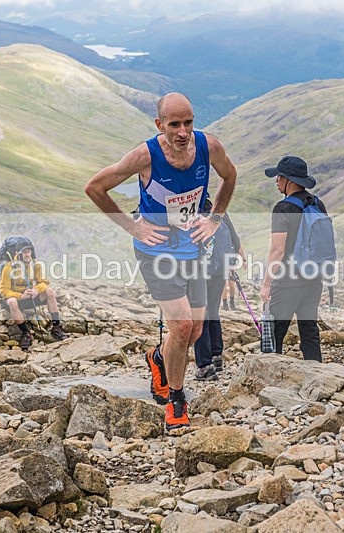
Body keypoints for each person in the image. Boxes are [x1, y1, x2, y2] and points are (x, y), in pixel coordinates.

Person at [85, 93, 237, 430]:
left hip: (192, 248)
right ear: (159, 125)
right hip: (156, 251)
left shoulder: (208, 147)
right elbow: (95, 187)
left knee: (195, 329)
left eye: (188, 123)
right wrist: (134, 227)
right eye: (174, 125)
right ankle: (176, 402)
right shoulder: (145, 156)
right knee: (182, 326)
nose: (183, 132)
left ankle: (158, 358)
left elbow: (230, 176)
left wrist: (213, 219)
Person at [260, 155, 326, 363]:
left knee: (274, 332)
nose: (276, 181)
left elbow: (277, 250)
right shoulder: (317, 203)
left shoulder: (283, 208)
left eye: (279, 177)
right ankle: (317, 373)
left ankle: (270, 382)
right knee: (309, 329)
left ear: (289, 180)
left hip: (288, 280)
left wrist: (266, 283)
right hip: (314, 278)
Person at [193, 198, 244, 381]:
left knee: (200, 314)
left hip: (199, 269)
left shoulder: (189, 211)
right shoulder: (218, 210)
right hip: (220, 268)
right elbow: (235, 239)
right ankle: (217, 356)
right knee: (213, 310)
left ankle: (205, 365)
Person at [0, 242, 68, 349]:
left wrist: (36, 289)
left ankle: (56, 327)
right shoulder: (9, 268)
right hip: (18, 300)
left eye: (29, 252)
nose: (27, 255)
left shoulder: (35, 264)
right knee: (11, 301)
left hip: (31, 297)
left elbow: (44, 282)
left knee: (49, 291)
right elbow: (4, 290)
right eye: (24, 252)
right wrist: (20, 296)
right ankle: (26, 333)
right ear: (17, 253)